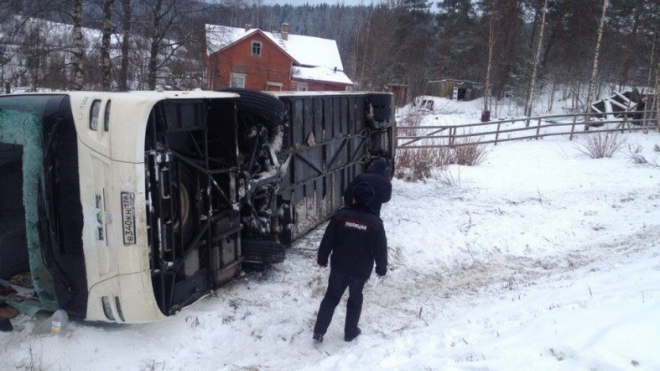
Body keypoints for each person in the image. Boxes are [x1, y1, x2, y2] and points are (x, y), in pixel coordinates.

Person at [313, 182, 388, 343]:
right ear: (370, 201)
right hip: (360, 272)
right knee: (355, 300)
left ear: (353, 199)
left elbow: (327, 240)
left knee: (331, 297)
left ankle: (319, 332)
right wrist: (381, 269)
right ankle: (350, 332)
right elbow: (381, 249)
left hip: (339, 266)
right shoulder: (375, 223)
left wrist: (322, 259)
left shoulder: (340, 216)